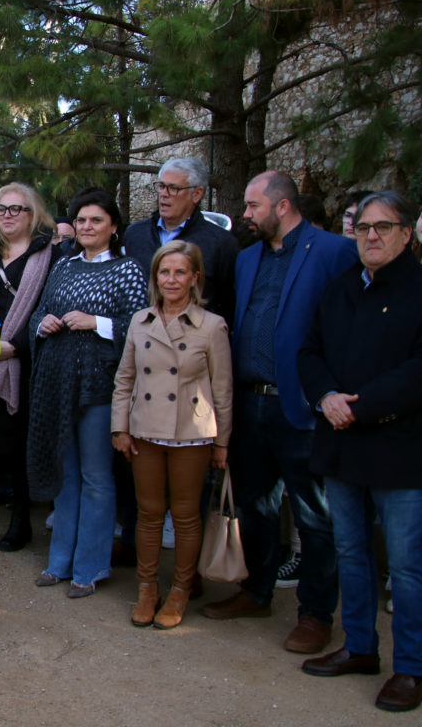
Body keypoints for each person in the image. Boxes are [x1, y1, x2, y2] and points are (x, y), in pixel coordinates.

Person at [202, 171, 359, 657]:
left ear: (283, 205)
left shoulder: (334, 252)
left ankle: (315, 614)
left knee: (314, 517)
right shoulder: (248, 258)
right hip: (250, 402)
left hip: (304, 407)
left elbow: (348, 328)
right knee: (256, 507)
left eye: (252, 206)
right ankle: (257, 592)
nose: (245, 215)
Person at [298, 191, 422, 713]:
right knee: (351, 551)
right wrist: (326, 396)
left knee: (409, 567)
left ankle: (412, 669)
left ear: (406, 234)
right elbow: (310, 351)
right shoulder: (341, 287)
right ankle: (360, 647)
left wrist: (361, 405)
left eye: (384, 227)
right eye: (364, 227)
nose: (371, 235)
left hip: (400, 447)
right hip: (341, 443)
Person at [28, 188, 147, 598]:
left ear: (113, 227)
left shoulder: (128, 269)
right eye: (80, 220)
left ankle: (90, 567)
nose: (87, 227)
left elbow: (139, 325)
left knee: (97, 477)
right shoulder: (63, 265)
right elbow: (40, 310)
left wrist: (96, 321)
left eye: (96, 220)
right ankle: (59, 562)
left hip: (99, 387)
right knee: (67, 477)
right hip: (58, 384)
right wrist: (42, 324)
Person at [111, 241, 232, 629]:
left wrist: (222, 442)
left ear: (195, 278)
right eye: (165, 272)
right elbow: (125, 378)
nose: (172, 279)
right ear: (155, 277)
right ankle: (147, 589)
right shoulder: (140, 321)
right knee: (148, 514)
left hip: (191, 432)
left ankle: (180, 589)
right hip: (146, 429)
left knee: (184, 515)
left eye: (181, 272)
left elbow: (223, 388)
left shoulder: (212, 326)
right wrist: (120, 427)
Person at [0, 183, 58, 552]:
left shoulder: (50, 256)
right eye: (1, 208)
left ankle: (20, 521)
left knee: (14, 444)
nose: (8, 215)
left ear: (34, 215)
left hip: (22, 364)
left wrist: (14, 347)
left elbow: (49, 308)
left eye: (17, 209)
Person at [123, 157, 238, 324]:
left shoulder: (221, 243)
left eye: (173, 188)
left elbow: (228, 305)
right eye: (161, 186)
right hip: (143, 338)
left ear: (197, 194)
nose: (163, 194)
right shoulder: (135, 235)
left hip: (193, 342)